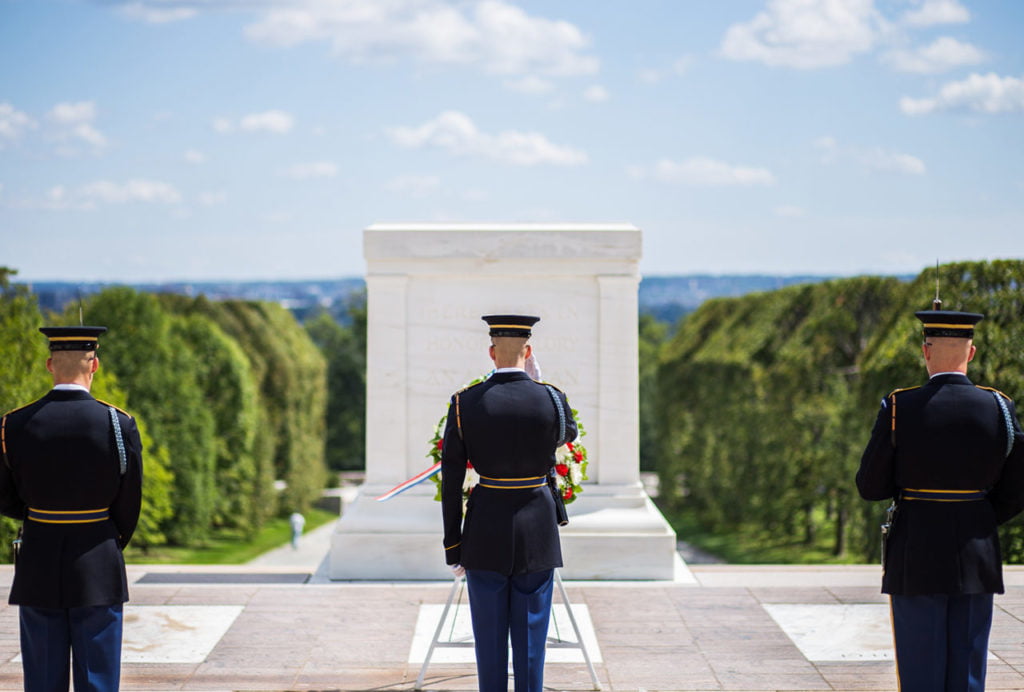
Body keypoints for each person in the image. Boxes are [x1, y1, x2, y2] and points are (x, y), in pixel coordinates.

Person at [856, 304, 1024, 692]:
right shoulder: (999, 406)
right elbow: (1018, 485)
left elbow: (871, 486)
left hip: (915, 545)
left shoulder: (899, 406)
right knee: (967, 668)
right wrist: (979, 513)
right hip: (977, 547)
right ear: (972, 352)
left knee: (920, 669)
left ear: (925, 350)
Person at [0, 325, 143, 692]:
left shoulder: (12, 424)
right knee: (98, 678)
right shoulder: (117, 423)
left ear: (49, 365)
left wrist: (40, 515)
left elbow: (5, 496)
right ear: (94, 365)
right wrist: (109, 541)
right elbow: (129, 500)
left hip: (38, 559)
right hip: (98, 557)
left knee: (43, 679)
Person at [440, 314, 577, 692]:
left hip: (485, 528)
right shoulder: (552, 398)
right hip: (537, 527)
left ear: (490, 352)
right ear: (528, 351)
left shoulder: (463, 404)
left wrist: (453, 545)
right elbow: (570, 433)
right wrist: (538, 382)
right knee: (532, 641)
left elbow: (451, 480)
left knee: (488, 638)